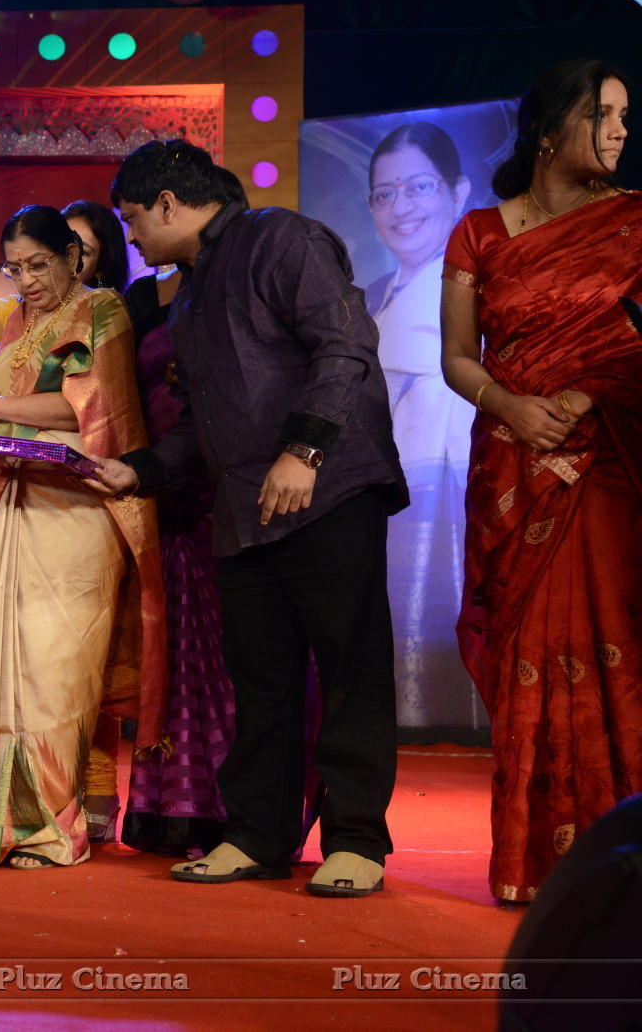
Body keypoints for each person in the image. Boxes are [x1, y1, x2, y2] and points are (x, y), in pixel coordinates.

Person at [97, 140, 407, 898]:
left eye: (134, 219)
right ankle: (257, 836)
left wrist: (304, 451)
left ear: (170, 204)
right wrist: (139, 470)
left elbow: (346, 348)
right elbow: (198, 421)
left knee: (349, 673)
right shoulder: (192, 290)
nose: (132, 238)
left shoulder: (283, 238)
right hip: (242, 512)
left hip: (330, 494)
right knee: (259, 684)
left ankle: (357, 840)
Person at [439, 60, 642, 903]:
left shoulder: (635, 224)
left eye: (626, 115)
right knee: (526, 648)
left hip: (606, 466)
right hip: (514, 465)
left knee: (618, 645)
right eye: (606, 114)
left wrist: (590, 391)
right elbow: (455, 359)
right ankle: (531, 863)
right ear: (553, 126)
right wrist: (513, 408)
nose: (624, 131)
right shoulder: (479, 234)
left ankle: (620, 862)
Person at [0, 205, 164, 870]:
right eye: (15, 268)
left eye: (38, 265)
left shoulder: (102, 311)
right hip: (10, 499)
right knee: (1, 661)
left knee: (55, 673)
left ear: (72, 257)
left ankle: (51, 825)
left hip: (75, 510)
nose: (27, 280)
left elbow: (93, 409)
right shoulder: (15, 321)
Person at [118, 171, 248, 855]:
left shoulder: (237, 278)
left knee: (235, 656)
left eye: (134, 218)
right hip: (166, 488)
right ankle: (174, 807)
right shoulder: (145, 298)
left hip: (233, 490)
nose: (131, 237)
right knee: (172, 653)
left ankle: (242, 812)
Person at [364, 123, 479, 729]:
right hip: (385, 477)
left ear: (457, 192)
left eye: (418, 187)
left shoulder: (475, 287)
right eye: (384, 194)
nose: (400, 207)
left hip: (451, 477)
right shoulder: (375, 294)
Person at [62, 199, 130, 293]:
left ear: (100, 270)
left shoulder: (107, 306)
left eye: (83, 252)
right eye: (62, 243)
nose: (67, 256)